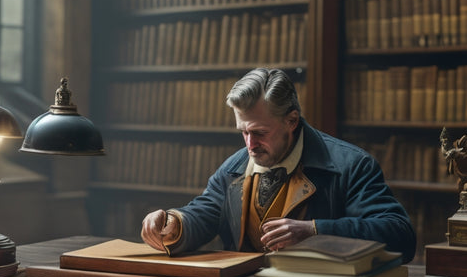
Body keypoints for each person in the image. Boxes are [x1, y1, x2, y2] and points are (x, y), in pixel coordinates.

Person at [141, 68, 416, 263]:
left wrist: (315, 232)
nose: (249, 145)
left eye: (259, 133)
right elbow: (206, 213)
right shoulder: (233, 168)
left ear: (292, 121)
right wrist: (174, 223)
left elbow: (399, 235)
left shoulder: (352, 165)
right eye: (243, 132)